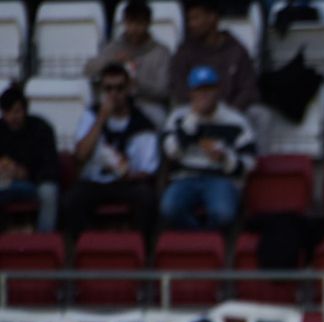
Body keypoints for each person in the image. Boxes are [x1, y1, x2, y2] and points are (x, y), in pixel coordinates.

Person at [63, 64, 161, 238]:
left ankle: (138, 250)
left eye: (119, 88)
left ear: (129, 89)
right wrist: (101, 119)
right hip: (95, 182)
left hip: (127, 184)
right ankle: (87, 249)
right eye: (108, 89)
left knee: (146, 198)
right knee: (72, 199)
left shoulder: (143, 124)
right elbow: (80, 155)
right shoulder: (91, 116)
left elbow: (147, 172)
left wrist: (128, 172)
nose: (114, 94)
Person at [160, 66, 257, 230]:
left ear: (217, 91)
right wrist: (192, 120)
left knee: (223, 214)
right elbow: (171, 152)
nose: (204, 95)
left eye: (209, 89)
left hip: (220, 178)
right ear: (191, 93)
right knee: (170, 209)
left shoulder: (235, 120)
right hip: (185, 177)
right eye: (199, 90)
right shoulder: (178, 117)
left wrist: (225, 158)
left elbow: (250, 163)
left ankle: (208, 241)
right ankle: (200, 240)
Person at [85, 1, 174, 123]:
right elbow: (88, 70)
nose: (135, 28)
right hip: (115, 103)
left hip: (146, 104)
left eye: (140, 23)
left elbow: (163, 90)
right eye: (130, 22)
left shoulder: (161, 52)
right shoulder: (114, 47)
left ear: (148, 23)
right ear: (124, 23)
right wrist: (111, 61)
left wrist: (137, 83)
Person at [169, 0, 259, 112]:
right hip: (194, 113)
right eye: (189, 20)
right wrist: (202, 108)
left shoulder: (236, 50)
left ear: (212, 17)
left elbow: (248, 89)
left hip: (233, 114)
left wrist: (228, 112)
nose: (191, 24)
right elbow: (178, 86)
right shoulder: (184, 51)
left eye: (195, 18)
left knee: (258, 112)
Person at [0, 88, 61, 232]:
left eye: (17, 111)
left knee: (49, 193)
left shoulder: (41, 129)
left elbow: (50, 165)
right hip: (6, 184)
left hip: (36, 182)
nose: (13, 117)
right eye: (8, 112)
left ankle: (44, 241)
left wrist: (26, 173)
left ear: (25, 110)